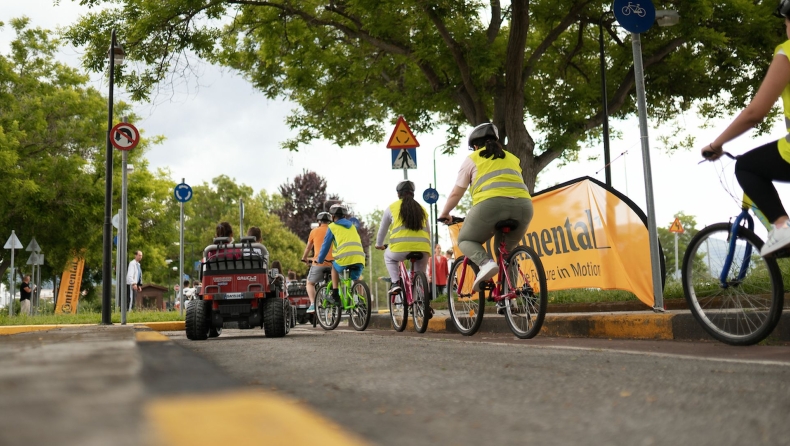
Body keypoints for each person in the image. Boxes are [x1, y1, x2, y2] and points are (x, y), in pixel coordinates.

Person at [703, 1, 790, 256]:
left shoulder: (786, 53)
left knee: (746, 166)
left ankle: (782, 227)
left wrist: (716, 144)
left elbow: (754, 114)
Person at [438, 122, 533, 292]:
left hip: (490, 205)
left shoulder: (473, 158)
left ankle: (485, 263)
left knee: (466, 240)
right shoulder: (512, 158)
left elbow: (455, 193)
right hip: (524, 206)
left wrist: (445, 213)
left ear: (475, 145)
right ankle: (508, 299)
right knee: (506, 253)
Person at [375, 181, 432, 297]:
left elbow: (382, 230)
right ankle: (423, 303)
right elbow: (428, 231)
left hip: (400, 250)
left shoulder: (391, 208)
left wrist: (378, 244)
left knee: (388, 256)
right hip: (423, 249)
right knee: (419, 276)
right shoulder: (422, 209)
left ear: (398, 194)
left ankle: (395, 282)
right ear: (413, 194)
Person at [317, 204, 365, 305]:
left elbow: (325, 245)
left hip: (344, 257)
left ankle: (335, 295)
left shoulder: (332, 227)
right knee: (356, 278)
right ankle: (360, 300)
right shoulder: (352, 226)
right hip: (359, 257)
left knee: (334, 268)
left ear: (333, 216)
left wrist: (320, 260)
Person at [301, 212, 334, 314]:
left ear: (319, 222)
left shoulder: (314, 231)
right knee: (334, 282)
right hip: (333, 263)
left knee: (310, 283)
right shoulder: (334, 230)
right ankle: (332, 296)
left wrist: (304, 258)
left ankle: (313, 304)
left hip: (319, 263)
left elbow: (308, 248)